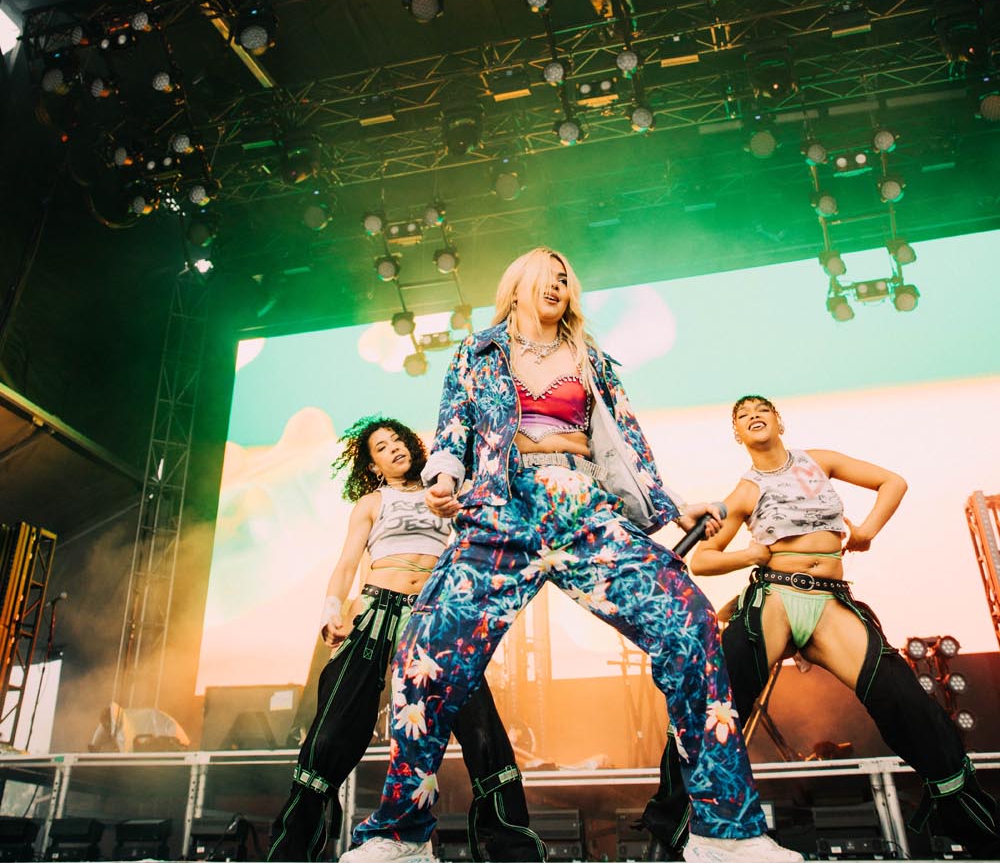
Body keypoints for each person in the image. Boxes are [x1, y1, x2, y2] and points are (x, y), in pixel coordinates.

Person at [341, 248, 803, 863]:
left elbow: (628, 447)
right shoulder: (477, 352)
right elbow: (453, 430)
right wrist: (444, 481)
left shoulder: (592, 358)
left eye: (566, 278)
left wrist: (672, 507)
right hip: (501, 510)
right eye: (547, 276)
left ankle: (726, 832)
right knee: (423, 656)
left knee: (690, 623)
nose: (558, 285)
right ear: (517, 287)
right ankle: (400, 836)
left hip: (582, 506)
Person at [687, 393, 1000, 858]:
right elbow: (702, 560)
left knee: (902, 696)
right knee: (721, 704)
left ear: (778, 421)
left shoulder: (820, 461)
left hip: (829, 600)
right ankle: (694, 830)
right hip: (776, 596)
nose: (753, 416)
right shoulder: (745, 492)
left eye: (761, 410)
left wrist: (867, 530)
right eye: (743, 415)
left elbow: (893, 482)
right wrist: (749, 553)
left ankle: (973, 825)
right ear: (737, 434)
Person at [267, 414, 543, 863]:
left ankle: (512, 849)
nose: (394, 448)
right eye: (381, 447)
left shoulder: (447, 489)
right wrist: (332, 609)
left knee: (481, 729)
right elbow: (347, 563)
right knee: (331, 735)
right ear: (372, 465)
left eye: (397, 440)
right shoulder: (372, 503)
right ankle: (290, 853)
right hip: (376, 616)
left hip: (436, 617)